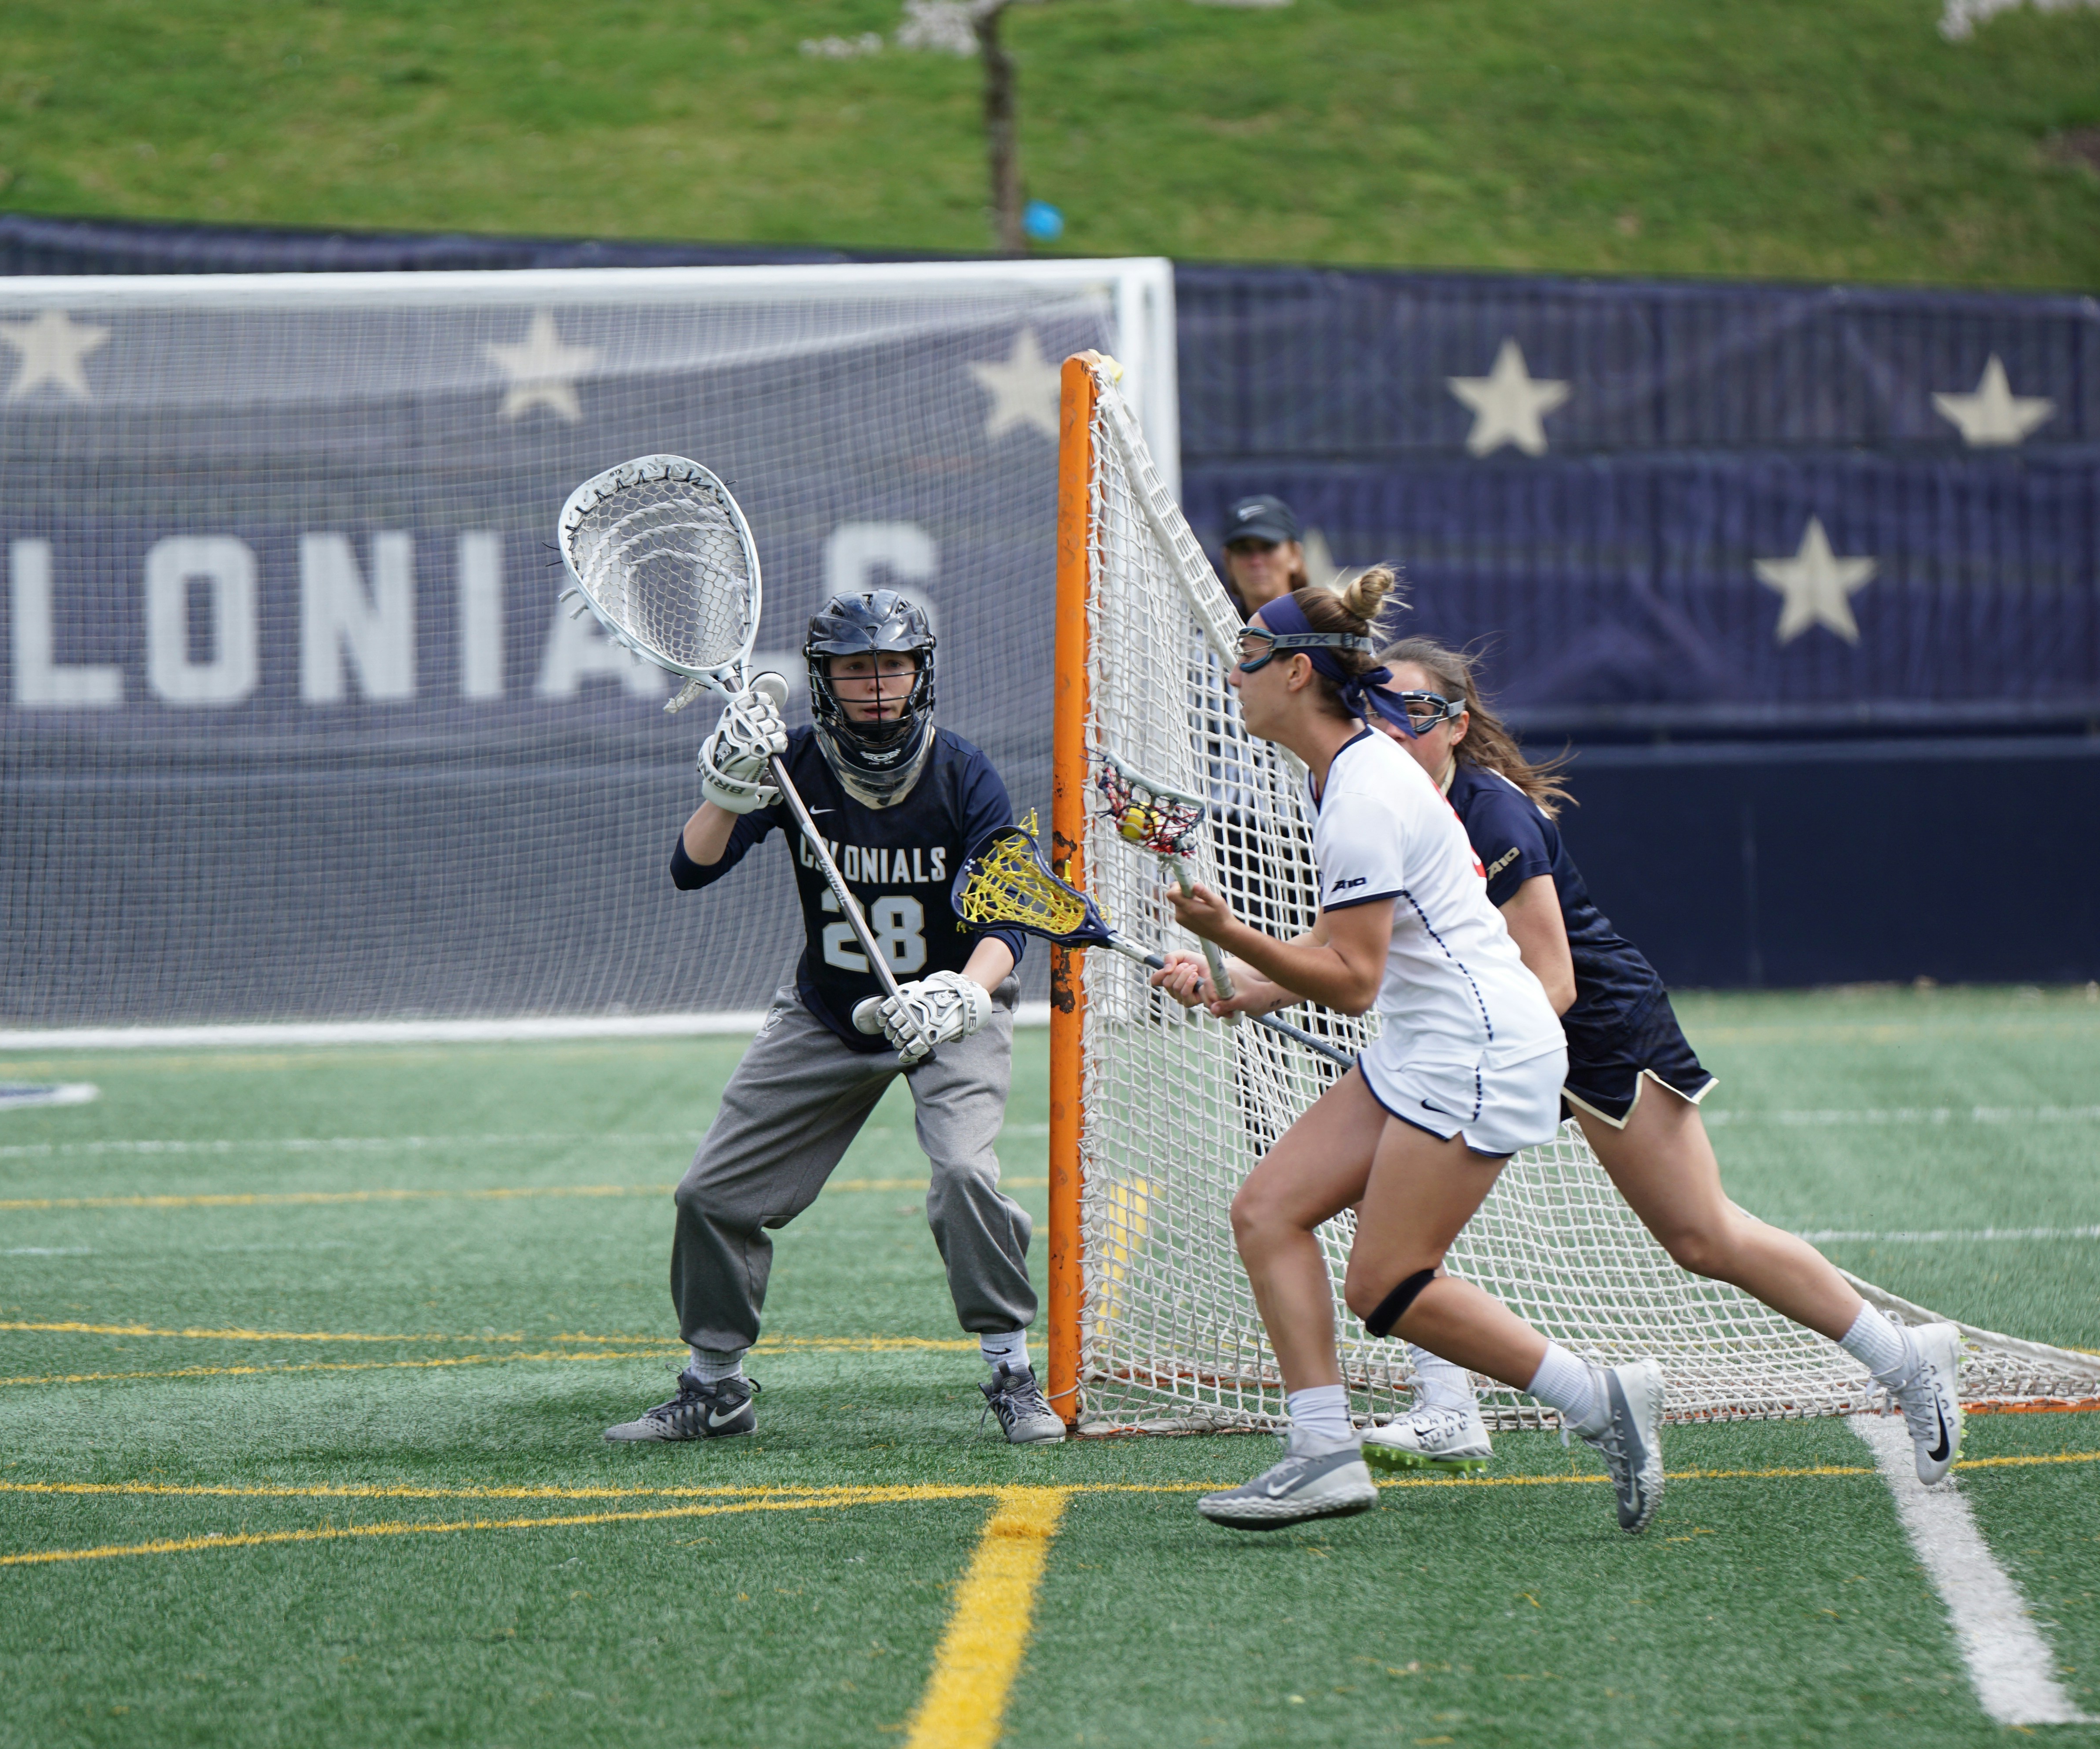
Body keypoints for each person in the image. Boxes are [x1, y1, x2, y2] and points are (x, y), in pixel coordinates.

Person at [1206, 633, 1968, 1489]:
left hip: (1595, 1032)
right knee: (1344, 1217)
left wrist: (1452, 1060)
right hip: (1476, 1037)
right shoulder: (1369, 789)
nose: (1395, 724)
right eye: (1383, 704)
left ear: (1457, 726)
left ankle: (1906, 1360)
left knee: (1701, 1234)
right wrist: (1249, 982)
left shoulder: (1490, 814)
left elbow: (1553, 981)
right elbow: (1354, 938)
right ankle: (1441, 1405)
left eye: (1418, 711)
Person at [1148, 568, 1669, 1535]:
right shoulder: (1347, 770)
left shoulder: (1362, 791)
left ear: (1298, 673)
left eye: (1248, 658)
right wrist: (1250, 978)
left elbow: (1350, 978)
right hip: (1433, 1036)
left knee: (1387, 1285)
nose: (1233, 677)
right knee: (1267, 1210)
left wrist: (1226, 930)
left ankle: (1601, 1398)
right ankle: (1322, 1453)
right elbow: (1370, 957)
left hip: (1477, 1047)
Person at [603, 590, 1063, 1449]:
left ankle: (1010, 1368)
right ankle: (714, 1385)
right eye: (858, 668)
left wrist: (966, 990)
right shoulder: (794, 764)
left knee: (965, 1174)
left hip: (951, 1005)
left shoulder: (965, 773)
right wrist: (727, 786)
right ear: (826, 679)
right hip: (830, 1008)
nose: (878, 686)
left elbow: (1009, 918)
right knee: (710, 1192)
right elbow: (690, 868)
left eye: (893, 665)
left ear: (921, 673)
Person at [1219, 494, 1312, 617]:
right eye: (1243, 550)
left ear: (1294, 555)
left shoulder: (1327, 630)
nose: (1256, 562)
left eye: (1268, 547)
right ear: (1228, 562)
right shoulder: (1209, 636)